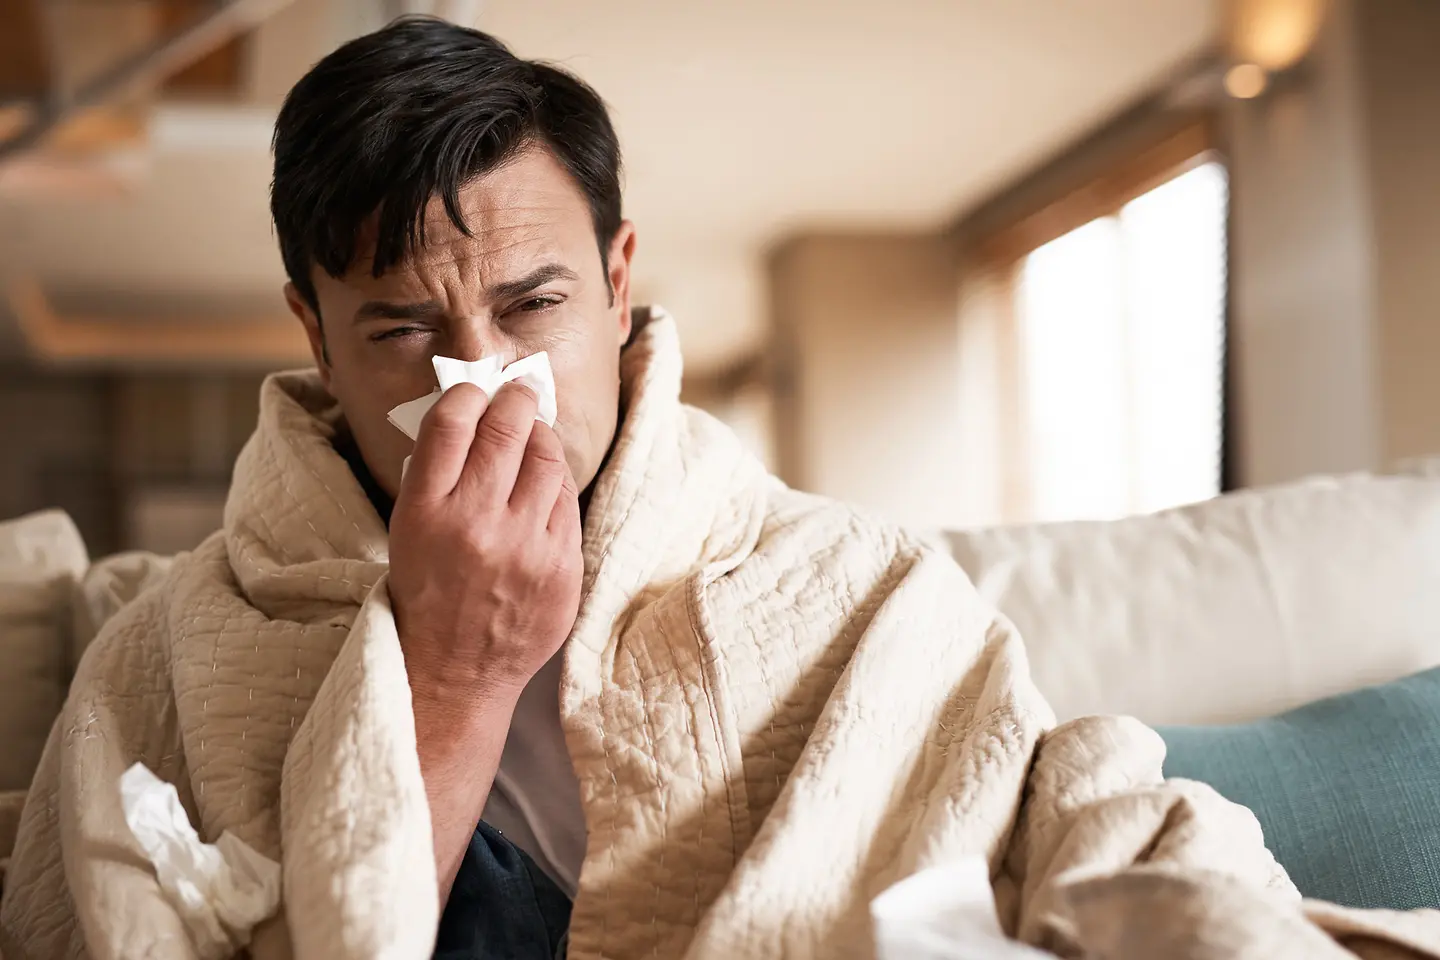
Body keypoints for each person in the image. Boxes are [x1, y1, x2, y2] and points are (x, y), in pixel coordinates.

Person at [4, 16, 1437, 960]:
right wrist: (445, 677)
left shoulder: (846, 587)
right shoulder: (172, 649)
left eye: (533, 304)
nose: (483, 377)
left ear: (621, 284)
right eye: (401, 332)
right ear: (311, 331)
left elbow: (1058, 806)